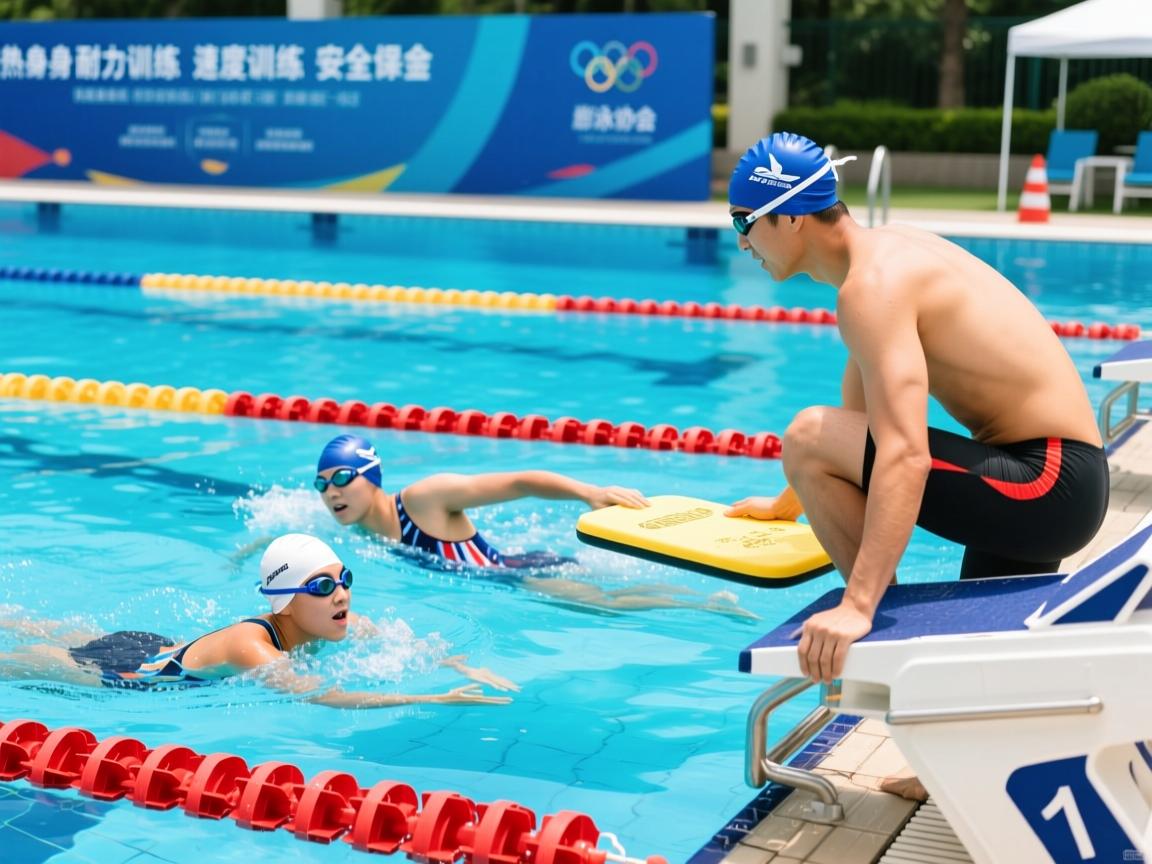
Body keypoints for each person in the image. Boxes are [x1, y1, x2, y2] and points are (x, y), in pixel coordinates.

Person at [725, 132, 1108, 798]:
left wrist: (859, 604)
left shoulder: (871, 289)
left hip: (1046, 482)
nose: (741, 244)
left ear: (788, 218)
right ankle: (965, 767)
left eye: (743, 223)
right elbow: (859, 427)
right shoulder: (881, 257)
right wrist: (791, 500)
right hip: (1052, 477)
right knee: (979, 662)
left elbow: (900, 452)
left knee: (805, 432)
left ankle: (880, 635)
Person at [0, 534, 515, 708]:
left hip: (152, 643)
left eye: (344, 579)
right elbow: (324, 696)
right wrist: (429, 698)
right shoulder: (254, 647)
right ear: (285, 603)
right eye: (322, 587)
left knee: (48, 628)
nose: (342, 594)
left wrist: (457, 666)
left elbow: (405, 643)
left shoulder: (338, 619)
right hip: (133, 673)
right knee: (20, 662)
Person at [313, 433, 758, 619]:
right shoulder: (358, 530)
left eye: (343, 479)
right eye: (323, 485)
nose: (333, 493)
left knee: (606, 603)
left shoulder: (423, 499)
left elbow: (520, 482)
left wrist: (589, 493)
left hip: (522, 573)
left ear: (372, 476)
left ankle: (706, 604)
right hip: (511, 574)